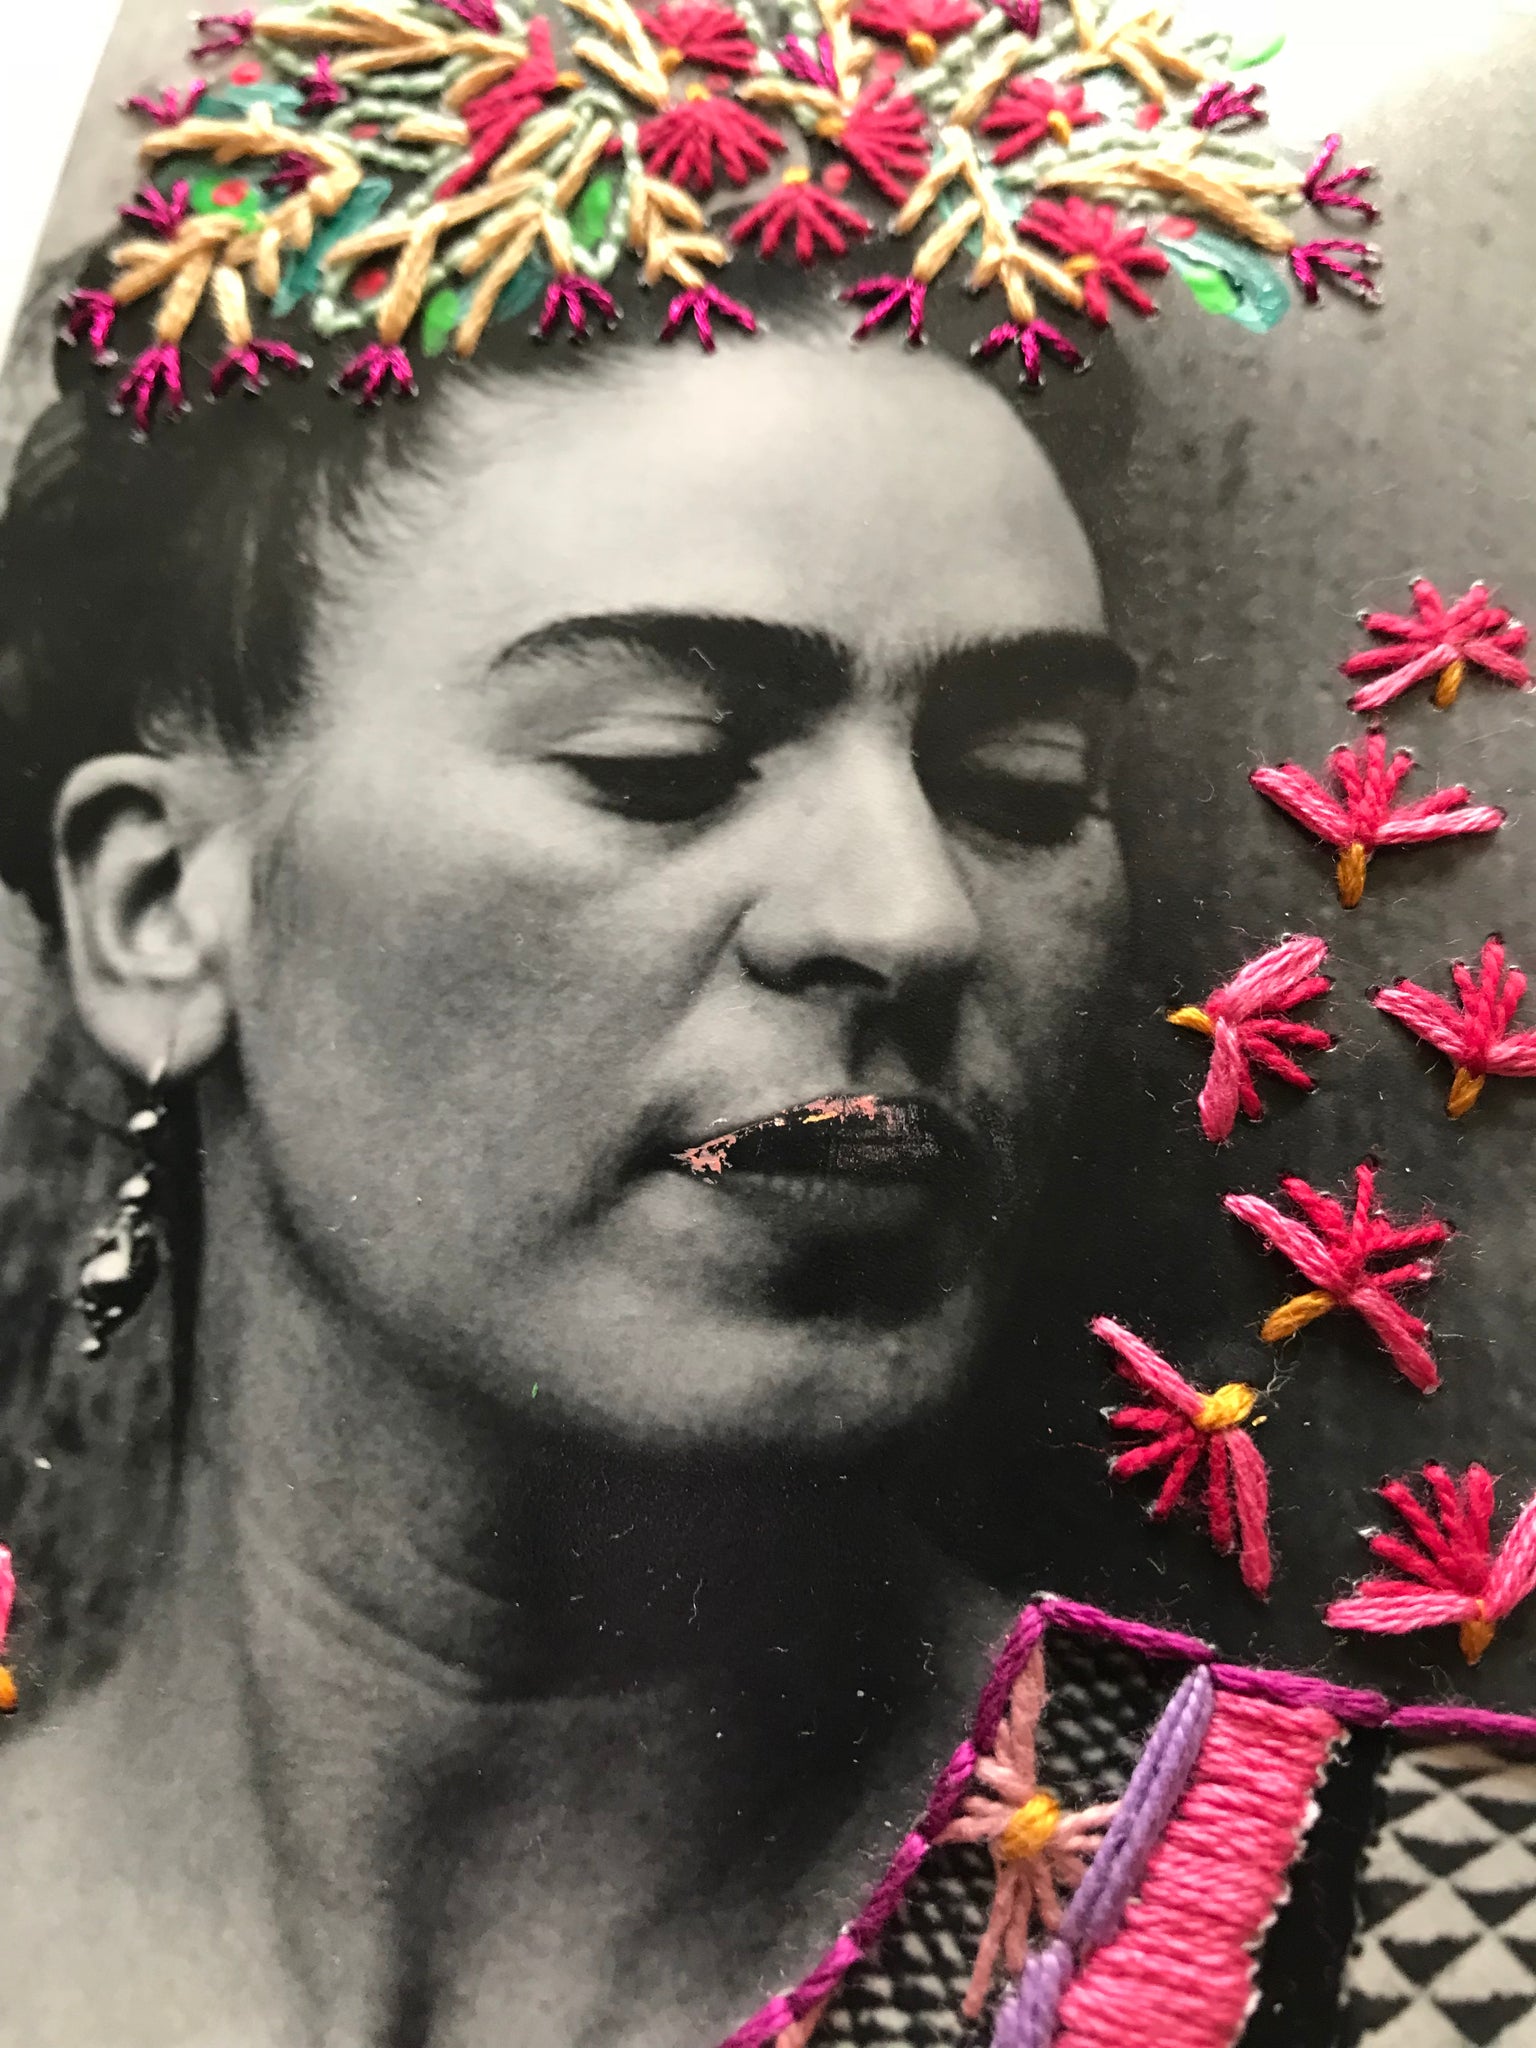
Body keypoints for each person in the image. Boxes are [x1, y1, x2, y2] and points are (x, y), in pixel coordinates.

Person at [0, 224, 1143, 2040]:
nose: (912, 917)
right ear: (158, 911)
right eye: (657, 767)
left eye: (1024, 791)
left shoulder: (1432, 1948)